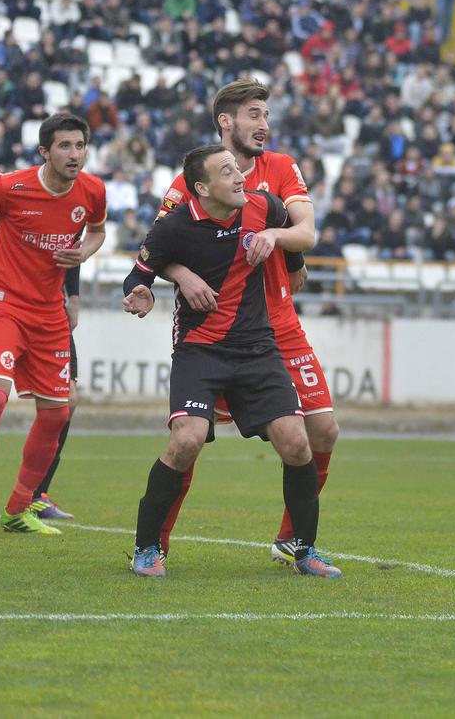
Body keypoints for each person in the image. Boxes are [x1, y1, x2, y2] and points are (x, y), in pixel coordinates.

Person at [121, 145, 339, 579]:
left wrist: (291, 260)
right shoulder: (175, 227)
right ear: (201, 189)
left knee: (297, 442)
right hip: (200, 349)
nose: (240, 175)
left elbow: (289, 227)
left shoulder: (263, 205)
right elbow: (139, 272)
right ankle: (146, 549)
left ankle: (304, 549)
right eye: (227, 171)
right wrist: (147, 290)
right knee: (186, 441)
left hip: (258, 348)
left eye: (237, 168)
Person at [0, 113, 106, 538]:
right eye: (64, 146)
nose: (74, 154)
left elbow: (96, 231)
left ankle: (18, 508)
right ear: (44, 151)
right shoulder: (10, 187)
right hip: (4, 304)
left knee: (57, 412)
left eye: (79, 146)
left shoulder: (93, 191)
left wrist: (83, 254)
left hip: (49, 313)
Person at [0, 225, 81, 522]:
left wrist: (74, 296)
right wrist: (31, 264)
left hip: (50, 311)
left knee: (67, 401)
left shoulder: (82, 198)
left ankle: (36, 496)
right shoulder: (17, 192)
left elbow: (74, 253)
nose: (76, 174)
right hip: (8, 306)